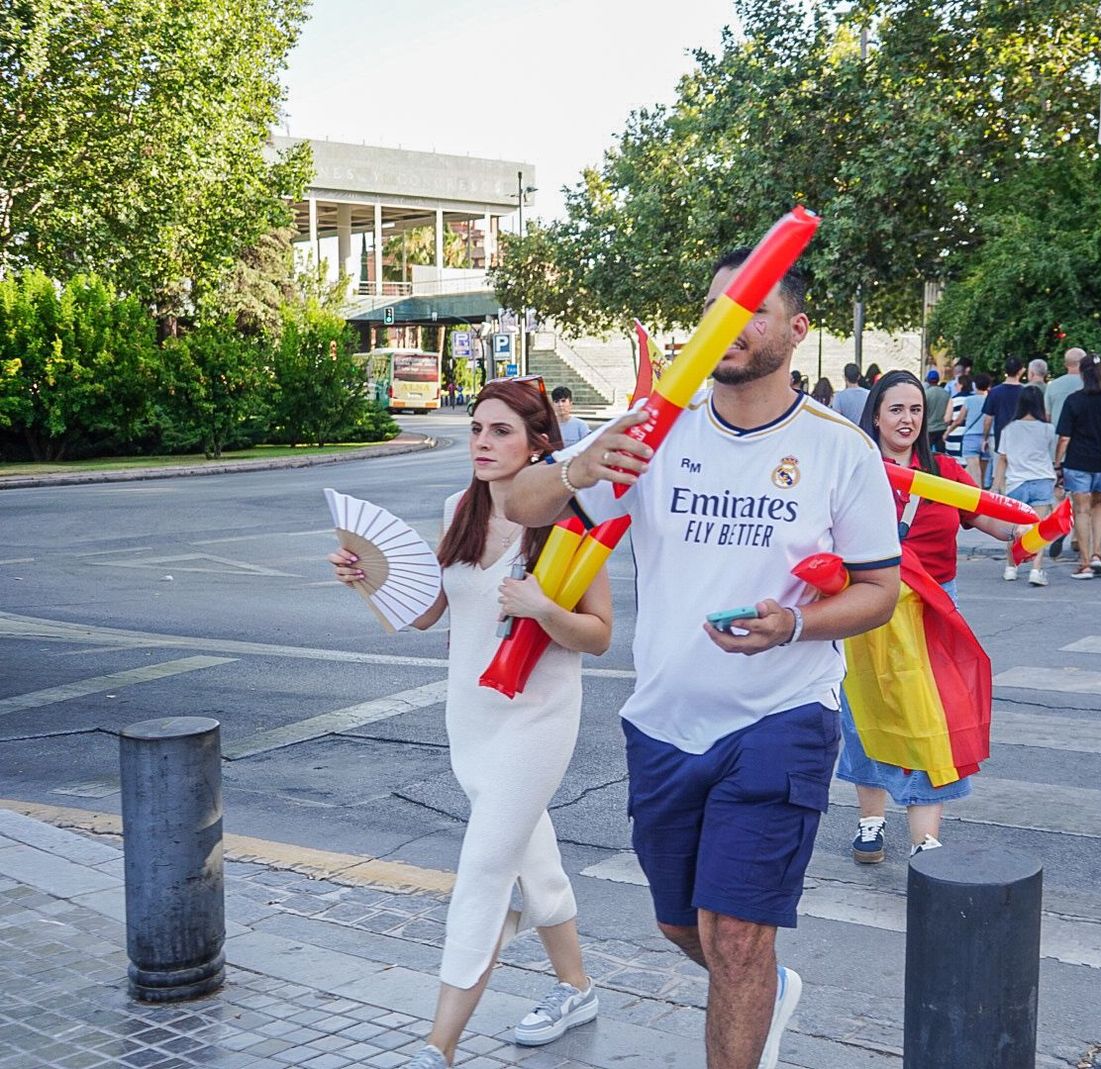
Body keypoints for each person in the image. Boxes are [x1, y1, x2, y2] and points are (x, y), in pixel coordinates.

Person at [504, 250, 901, 1069]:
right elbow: (518, 502)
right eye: (718, 306)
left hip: (782, 716)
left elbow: (879, 591)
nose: (729, 323)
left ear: (797, 329)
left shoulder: (840, 450)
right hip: (665, 723)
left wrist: (794, 623)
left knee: (738, 935)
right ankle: (765, 988)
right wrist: (577, 465)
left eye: (752, 307)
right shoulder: (654, 428)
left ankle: (750, 991)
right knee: (684, 925)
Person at [328, 379, 611, 1069]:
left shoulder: (566, 520)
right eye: (477, 428)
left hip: (537, 720)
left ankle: (439, 1046)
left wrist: (544, 608)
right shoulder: (460, 508)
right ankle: (577, 988)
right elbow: (431, 611)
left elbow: (600, 635)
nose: (481, 442)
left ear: (539, 444)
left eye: (500, 431)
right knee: (534, 861)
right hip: (471, 720)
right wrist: (365, 577)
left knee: (484, 869)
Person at [838, 369, 1018, 860]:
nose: (907, 419)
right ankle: (870, 822)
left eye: (915, 409)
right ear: (876, 416)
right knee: (864, 713)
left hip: (934, 607)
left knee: (932, 718)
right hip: (868, 606)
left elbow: (985, 516)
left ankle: (925, 842)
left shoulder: (945, 473)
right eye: (896, 409)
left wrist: (1023, 531)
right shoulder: (853, 471)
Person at [1055, 354, 1101, 579]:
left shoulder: (1074, 400)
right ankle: (1097, 555)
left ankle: (1084, 563)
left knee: (1082, 510)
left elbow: (1064, 438)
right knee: (1100, 507)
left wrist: (1057, 463)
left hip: (1078, 462)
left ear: (1083, 373)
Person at [995, 385, 1058, 585]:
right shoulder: (1048, 429)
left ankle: (1011, 567)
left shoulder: (1009, 429)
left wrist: (996, 486)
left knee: (1014, 529)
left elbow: (1002, 459)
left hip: (1016, 482)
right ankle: (1036, 571)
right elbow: (1052, 455)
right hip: (1042, 480)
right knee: (1039, 530)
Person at [980, 356, 1026, 467]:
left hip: (1000, 439)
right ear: (1020, 371)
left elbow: (988, 419)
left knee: (1000, 471)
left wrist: (985, 438)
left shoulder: (994, 392)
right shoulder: (1025, 392)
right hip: (1022, 439)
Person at [962, 372, 994, 485]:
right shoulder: (991, 399)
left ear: (974, 385)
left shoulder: (969, 400)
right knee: (983, 474)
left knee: (975, 473)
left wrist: (948, 431)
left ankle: (977, 494)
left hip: (971, 437)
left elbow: (960, 419)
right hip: (988, 438)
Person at [1044, 347, 1084, 428]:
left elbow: (1047, 416)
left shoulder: (1053, 385)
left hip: (1058, 433)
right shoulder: (1091, 384)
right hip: (1084, 433)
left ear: (1065, 364)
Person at [923, 367, 952, 453]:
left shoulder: (925, 394)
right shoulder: (946, 394)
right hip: (942, 428)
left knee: (927, 453)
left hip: (929, 428)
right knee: (941, 454)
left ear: (928, 380)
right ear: (938, 380)